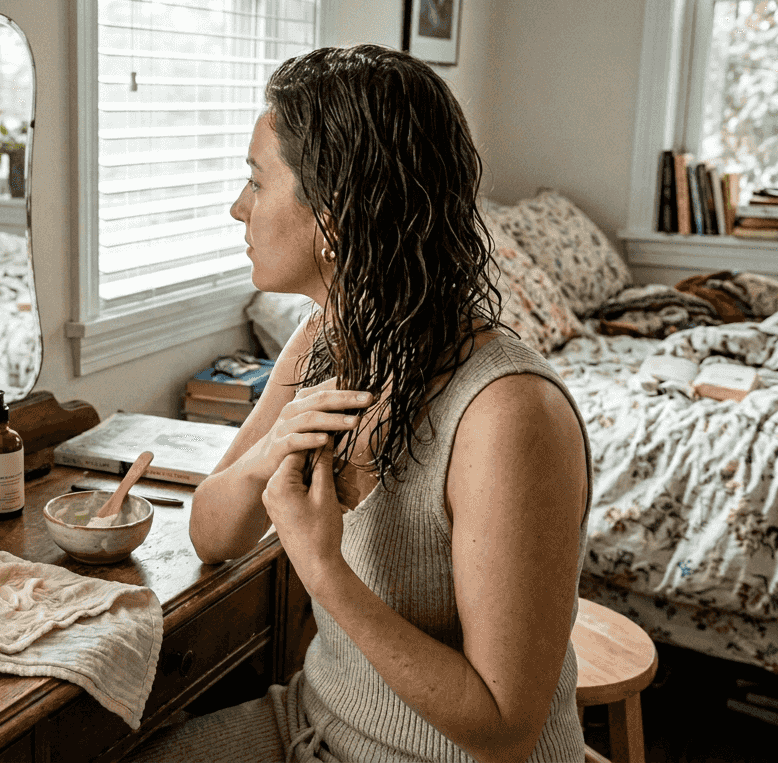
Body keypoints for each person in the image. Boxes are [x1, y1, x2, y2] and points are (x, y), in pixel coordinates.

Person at [134, 45, 591, 762]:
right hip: (314, 724)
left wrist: (322, 568)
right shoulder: (324, 339)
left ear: (336, 216)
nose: (237, 208)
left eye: (256, 182)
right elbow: (212, 535)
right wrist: (268, 451)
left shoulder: (508, 414)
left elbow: (504, 729)